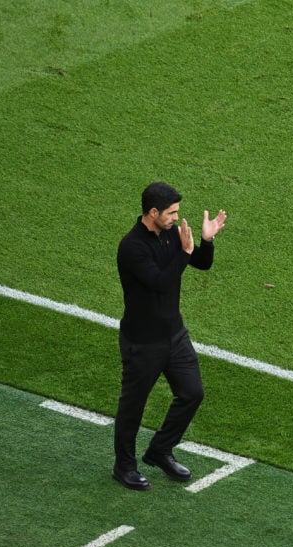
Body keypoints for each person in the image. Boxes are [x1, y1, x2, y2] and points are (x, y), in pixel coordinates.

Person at [112, 181, 226, 490]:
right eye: (171, 212)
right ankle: (124, 466)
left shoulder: (173, 235)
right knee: (133, 407)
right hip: (143, 342)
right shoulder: (132, 247)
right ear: (153, 212)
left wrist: (206, 241)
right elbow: (160, 282)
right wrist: (185, 252)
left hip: (174, 336)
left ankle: (160, 450)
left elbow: (201, 263)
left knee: (192, 393)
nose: (176, 217)